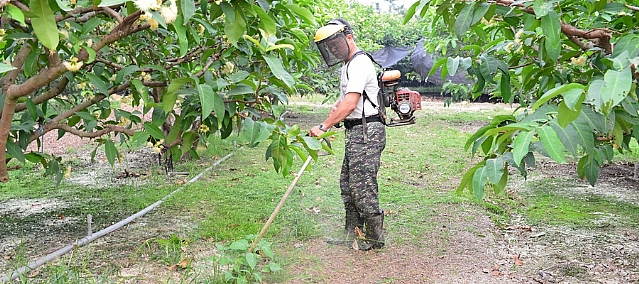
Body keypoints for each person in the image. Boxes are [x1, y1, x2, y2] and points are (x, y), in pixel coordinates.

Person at [309, 18, 386, 251]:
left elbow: (351, 103)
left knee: (362, 186)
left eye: (335, 43)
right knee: (348, 184)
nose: (333, 49)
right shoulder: (348, 65)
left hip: (367, 130)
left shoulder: (360, 62)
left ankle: (374, 239)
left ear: (349, 38)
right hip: (356, 131)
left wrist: (324, 127)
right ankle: (352, 233)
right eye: (329, 46)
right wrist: (336, 106)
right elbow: (346, 98)